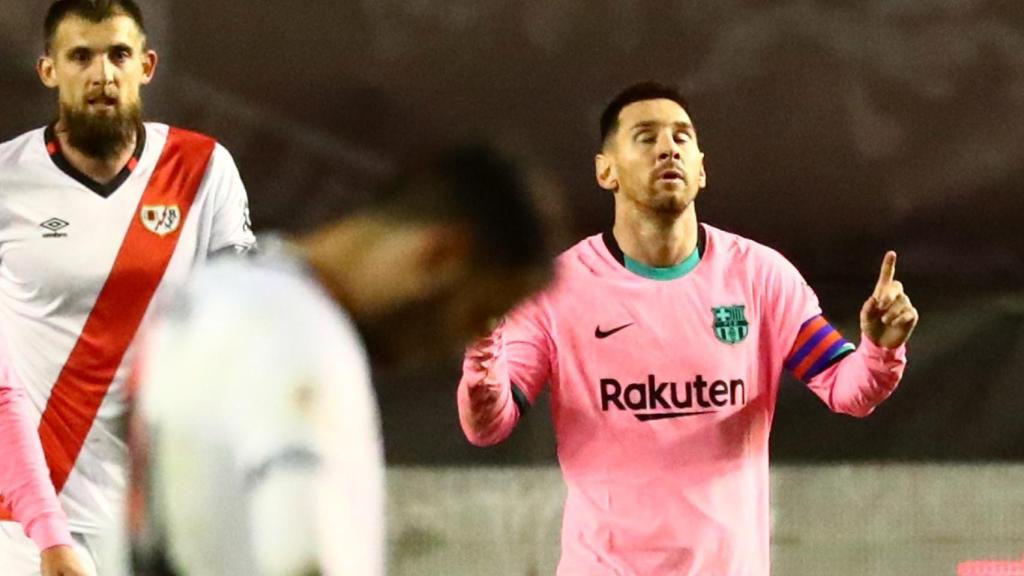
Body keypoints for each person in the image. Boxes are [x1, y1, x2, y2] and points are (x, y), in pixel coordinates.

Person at [457, 81, 920, 575]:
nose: (668, 148)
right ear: (605, 170)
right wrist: (483, 342)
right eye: (646, 136)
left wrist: (879, 350)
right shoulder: (557, 291)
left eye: (682, 137)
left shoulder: (760, 277)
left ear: (701, 168)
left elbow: (848, 389)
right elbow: (488, 425)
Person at [128, 145, 555, 576]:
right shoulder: (304, 335)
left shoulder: (206, 295)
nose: (459, 346)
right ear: (440, 254)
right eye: (478, 314)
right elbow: (302, 559)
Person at [0, 1, 256, 575]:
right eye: (80, 57)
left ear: (147, 64)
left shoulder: (204, 169)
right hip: (24, 522)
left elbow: (240, 334)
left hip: (164, 514)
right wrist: (47, 534)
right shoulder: (4, 181)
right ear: (48, 70)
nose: (102, 75)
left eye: (118, 54)